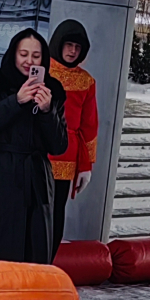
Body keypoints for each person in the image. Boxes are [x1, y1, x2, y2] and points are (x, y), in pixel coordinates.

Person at [0, 28, 69, 264]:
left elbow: (59, 145)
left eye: (36, 56)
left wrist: (47, 112)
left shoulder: (53, 90)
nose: (29, 61)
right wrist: (16, 101)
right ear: (13, 54)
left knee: (34, 249)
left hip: (36, 179)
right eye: (23, 54)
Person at [46, 19, 98, 260]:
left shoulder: (86, 82)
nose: (72, 51)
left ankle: (48, 261)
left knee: (56, 213)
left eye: (77, 47)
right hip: (39, 152)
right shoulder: (41, 71)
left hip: (68, 157)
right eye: (68, 45)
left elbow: (89, 125)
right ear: (59, 43)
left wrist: (86, 166)